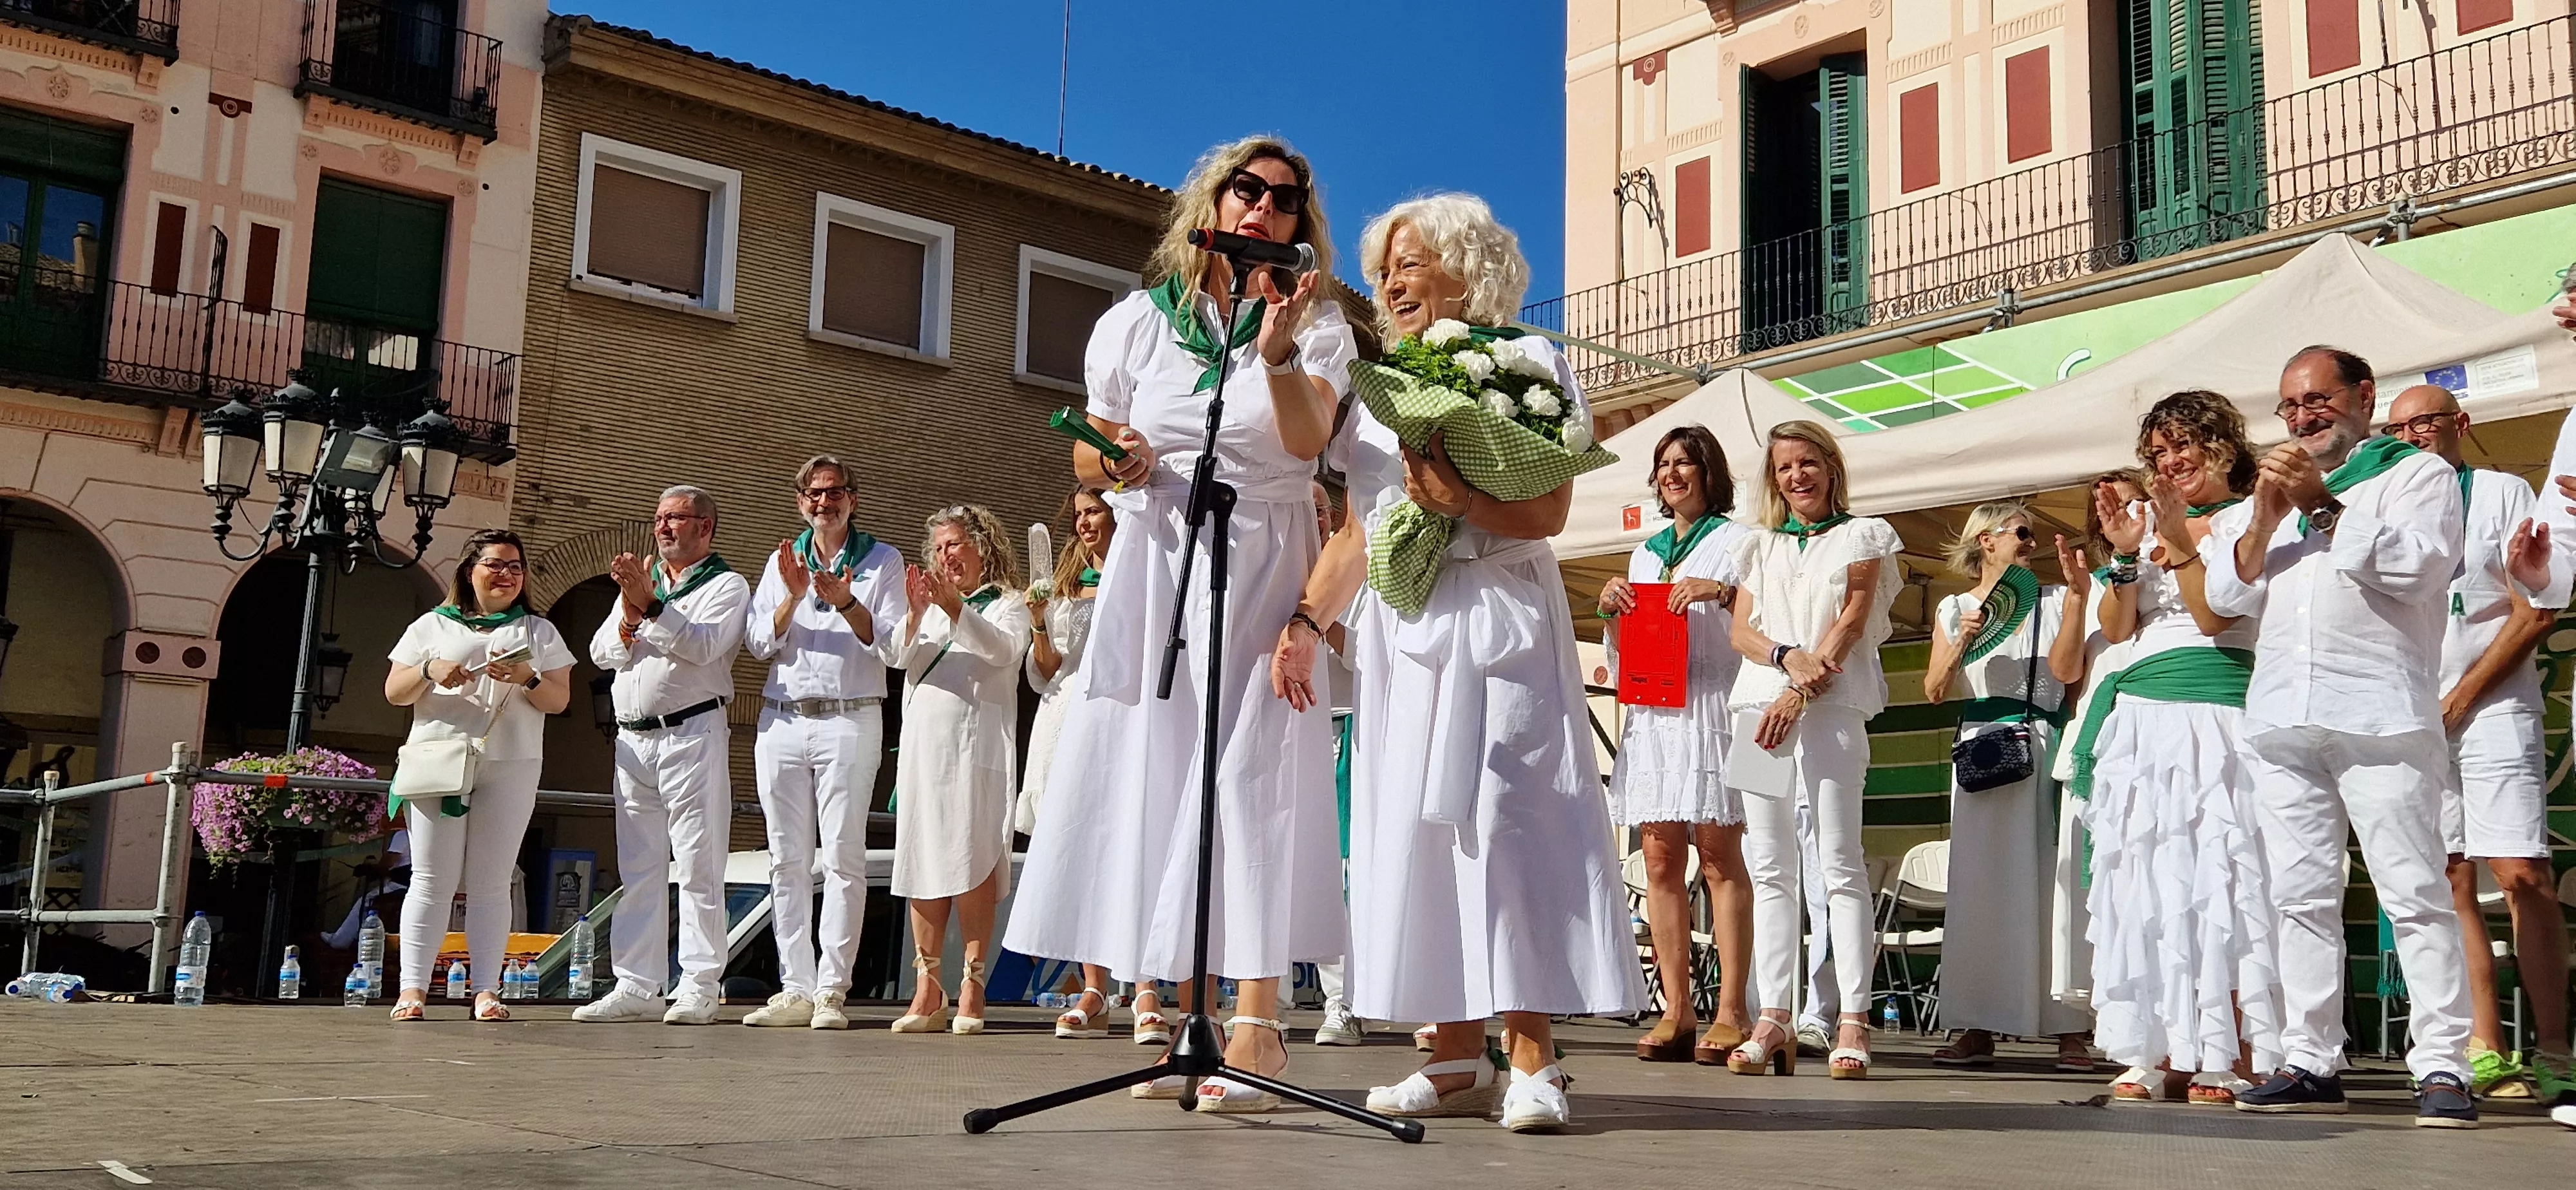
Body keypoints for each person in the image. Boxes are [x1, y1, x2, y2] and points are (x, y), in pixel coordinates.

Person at [1272, 192, 1638, 1131]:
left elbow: (1548, 514)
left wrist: (1457, 499)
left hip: (1497, 609)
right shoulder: (1374, 383)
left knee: (1507, 819)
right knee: (1417, 832)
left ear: (1464, 270)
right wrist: (1308, 617)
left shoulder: (1526, 360)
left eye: (1411, 262)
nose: (1391, 280)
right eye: (1385, 265)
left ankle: (1533, 1058)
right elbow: (1358, 527)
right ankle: (1450, 1052)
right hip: (1406, 630)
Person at [1005, 135, 1352, 1107]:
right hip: (1158, 559)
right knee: (1165, 779)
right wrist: (1111, 458)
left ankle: (1259, 1023)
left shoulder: (1318, 324)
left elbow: (1305, 441)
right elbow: (1092, 446)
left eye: (1287, 200)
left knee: (1250, 779)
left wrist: (1277, 351)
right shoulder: (1134, 324)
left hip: (1260, 557)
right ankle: (1188, 1021)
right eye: (1249, 191)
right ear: (1214, 199)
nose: (1265, 211)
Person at [2203, 346, 2475, 1126]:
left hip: (2381, 713)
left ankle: (2442, 1066)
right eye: (2290, 407)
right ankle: (2311, 1058)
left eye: (2316, 401)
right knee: (2298, 897)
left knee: (2414, 893)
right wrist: (2265, 511)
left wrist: (2322, 505)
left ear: (2362, 397)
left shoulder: (2414, 475)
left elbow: (2419, 570)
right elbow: (2223, 598)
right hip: (2285, 717)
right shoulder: (2271, 495)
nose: (2301, 417)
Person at [2073, 393, 2281, 1105]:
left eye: (2182, 446)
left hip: (2219, 714)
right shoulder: (2151, 526)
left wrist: (2180, 540)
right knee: (2148, 885)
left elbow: (2214, 611)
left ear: (2222, 445)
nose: (2169, 463)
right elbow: (2118, 628)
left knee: (2222, 883)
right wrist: (2127, 559)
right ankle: (2150, 1050)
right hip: (2142, 717)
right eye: (2158, 453)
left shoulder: (2250, 516)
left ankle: (2224, 1054)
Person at [2383, 384, 2568, 1100]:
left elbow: (2537, 610)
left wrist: (2460, 698)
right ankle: (2483, 1042)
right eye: (2398, 428)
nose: (2413, 435)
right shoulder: (2386, 506)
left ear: (2459, 424)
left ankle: (2554, 1046)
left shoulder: (2500, 492)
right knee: (2450, 878)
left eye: (2425, 421)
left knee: (2522, 875)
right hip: (2414, 714)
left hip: (2491, 709)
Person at [1721, 420, 1904, 1080]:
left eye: (1806, 463)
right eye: (1783, 468)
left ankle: (1850, 1016)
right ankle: (1772, 1014)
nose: (1795, 476)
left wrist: (1801, 687)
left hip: (1829, 707)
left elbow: (1852, 620)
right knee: (1766, 865)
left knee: (1837, 863)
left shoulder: (1863, 536)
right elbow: (1743, 631)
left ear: (1829, 466)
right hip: (1755, 707)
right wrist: (1782, 659)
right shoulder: (1759, 546)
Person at [1598, 424, 1755, 1064]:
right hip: (1656, 715)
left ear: (1708, 471)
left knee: (1719, 857)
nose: (1672, 474)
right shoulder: (1643, 552)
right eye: (1664, 464)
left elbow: (1767, 615)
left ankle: (1733, 1010)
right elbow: (1622, 649)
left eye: (1685, 462)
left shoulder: (1741, 540)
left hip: (1714, 705)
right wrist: (1612, 609)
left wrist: (1721, 592)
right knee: (1661, 861)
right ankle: (1676, 1010)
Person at [1921, 502, 2094, 1072]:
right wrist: (1960, 641)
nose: (2030, 540)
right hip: (1980, 739)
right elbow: (1934, 689)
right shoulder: (1954, 607)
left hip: (2040, 738)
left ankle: (2071, 1027)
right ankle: (1976, 1021)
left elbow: (2068, 676)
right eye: (2020, 532)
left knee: (2052, 880)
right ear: (1986, 542)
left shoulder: (2048, 600)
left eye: (2031, 532)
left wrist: (2074, 598)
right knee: (1978, 883)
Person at [739, 455, 907, 1032]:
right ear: (799, 502)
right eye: (812, 494)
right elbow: (759, 642)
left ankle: (832, 990)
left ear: (853, 499)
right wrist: (791, 597)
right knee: (786, 858)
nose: (823, 503)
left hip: (850, 718)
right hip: (781, 719)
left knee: (842, 855)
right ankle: (795, 987)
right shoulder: (782, 561)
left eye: (834, 492)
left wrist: (844, 600)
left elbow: (890, 647)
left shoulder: (882, 560)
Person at [382, 529, 575, 1023]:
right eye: (496, 564)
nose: (507, 574)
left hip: (511, 762)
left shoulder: (539, 632)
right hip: (439, 762)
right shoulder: (432, 626)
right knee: (431, 878)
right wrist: (430, 669)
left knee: (492, 881)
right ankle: (413, 990)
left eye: (516, 566)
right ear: (470, 570)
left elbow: (558, 701)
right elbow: (394, 693)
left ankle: (486, 990)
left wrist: (527, 677)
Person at [576, 486, 750, 1026]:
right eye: (658, 518)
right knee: (639, 866)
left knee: (698, 862)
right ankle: (637, 983)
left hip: (691, 733)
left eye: (675, 518)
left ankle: (699, 983)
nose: (663, 527)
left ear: (706, 527)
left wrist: (648, 604)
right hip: (633, 739)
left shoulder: (727, 584)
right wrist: (632, 612)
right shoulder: (647, 582)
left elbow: (703, 647)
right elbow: (602, 652)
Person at [1018, 487, 1164, 1043]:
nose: (1083, 523)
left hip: (1129, 706)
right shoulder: (1063, 587)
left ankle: (1145, 988)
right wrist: (1037, 621)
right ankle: (1095, 988)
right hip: (1069, 711)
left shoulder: (1146, 572)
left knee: (1134, 841)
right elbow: (1049, 666)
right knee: (1080, 847)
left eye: (1094, 512)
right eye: (1077, 514)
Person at [888, 505, 1032, 1037]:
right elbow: (896, 657)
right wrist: (914, 612)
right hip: (925, 750)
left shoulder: (1008, 604)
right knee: (922, 858)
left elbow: (1002, 651)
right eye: (941, 547)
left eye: (956, 545)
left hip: (976, 749)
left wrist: (956, 612)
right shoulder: (928, 608)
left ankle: (973, 982)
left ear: (982, 547)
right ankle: (928, 987)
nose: (947, 555)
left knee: (971, 859)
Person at [1309, 478, 1372, 1049]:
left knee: (1345, 875)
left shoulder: (1356, 571)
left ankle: (1343, 1002)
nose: (1310, 517)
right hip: (1289, 734)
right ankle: (1264, 1004)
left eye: (1319, 507)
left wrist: (1314, 621)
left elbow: (1370, 657)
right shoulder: (1272, 569)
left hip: (1348, 729)